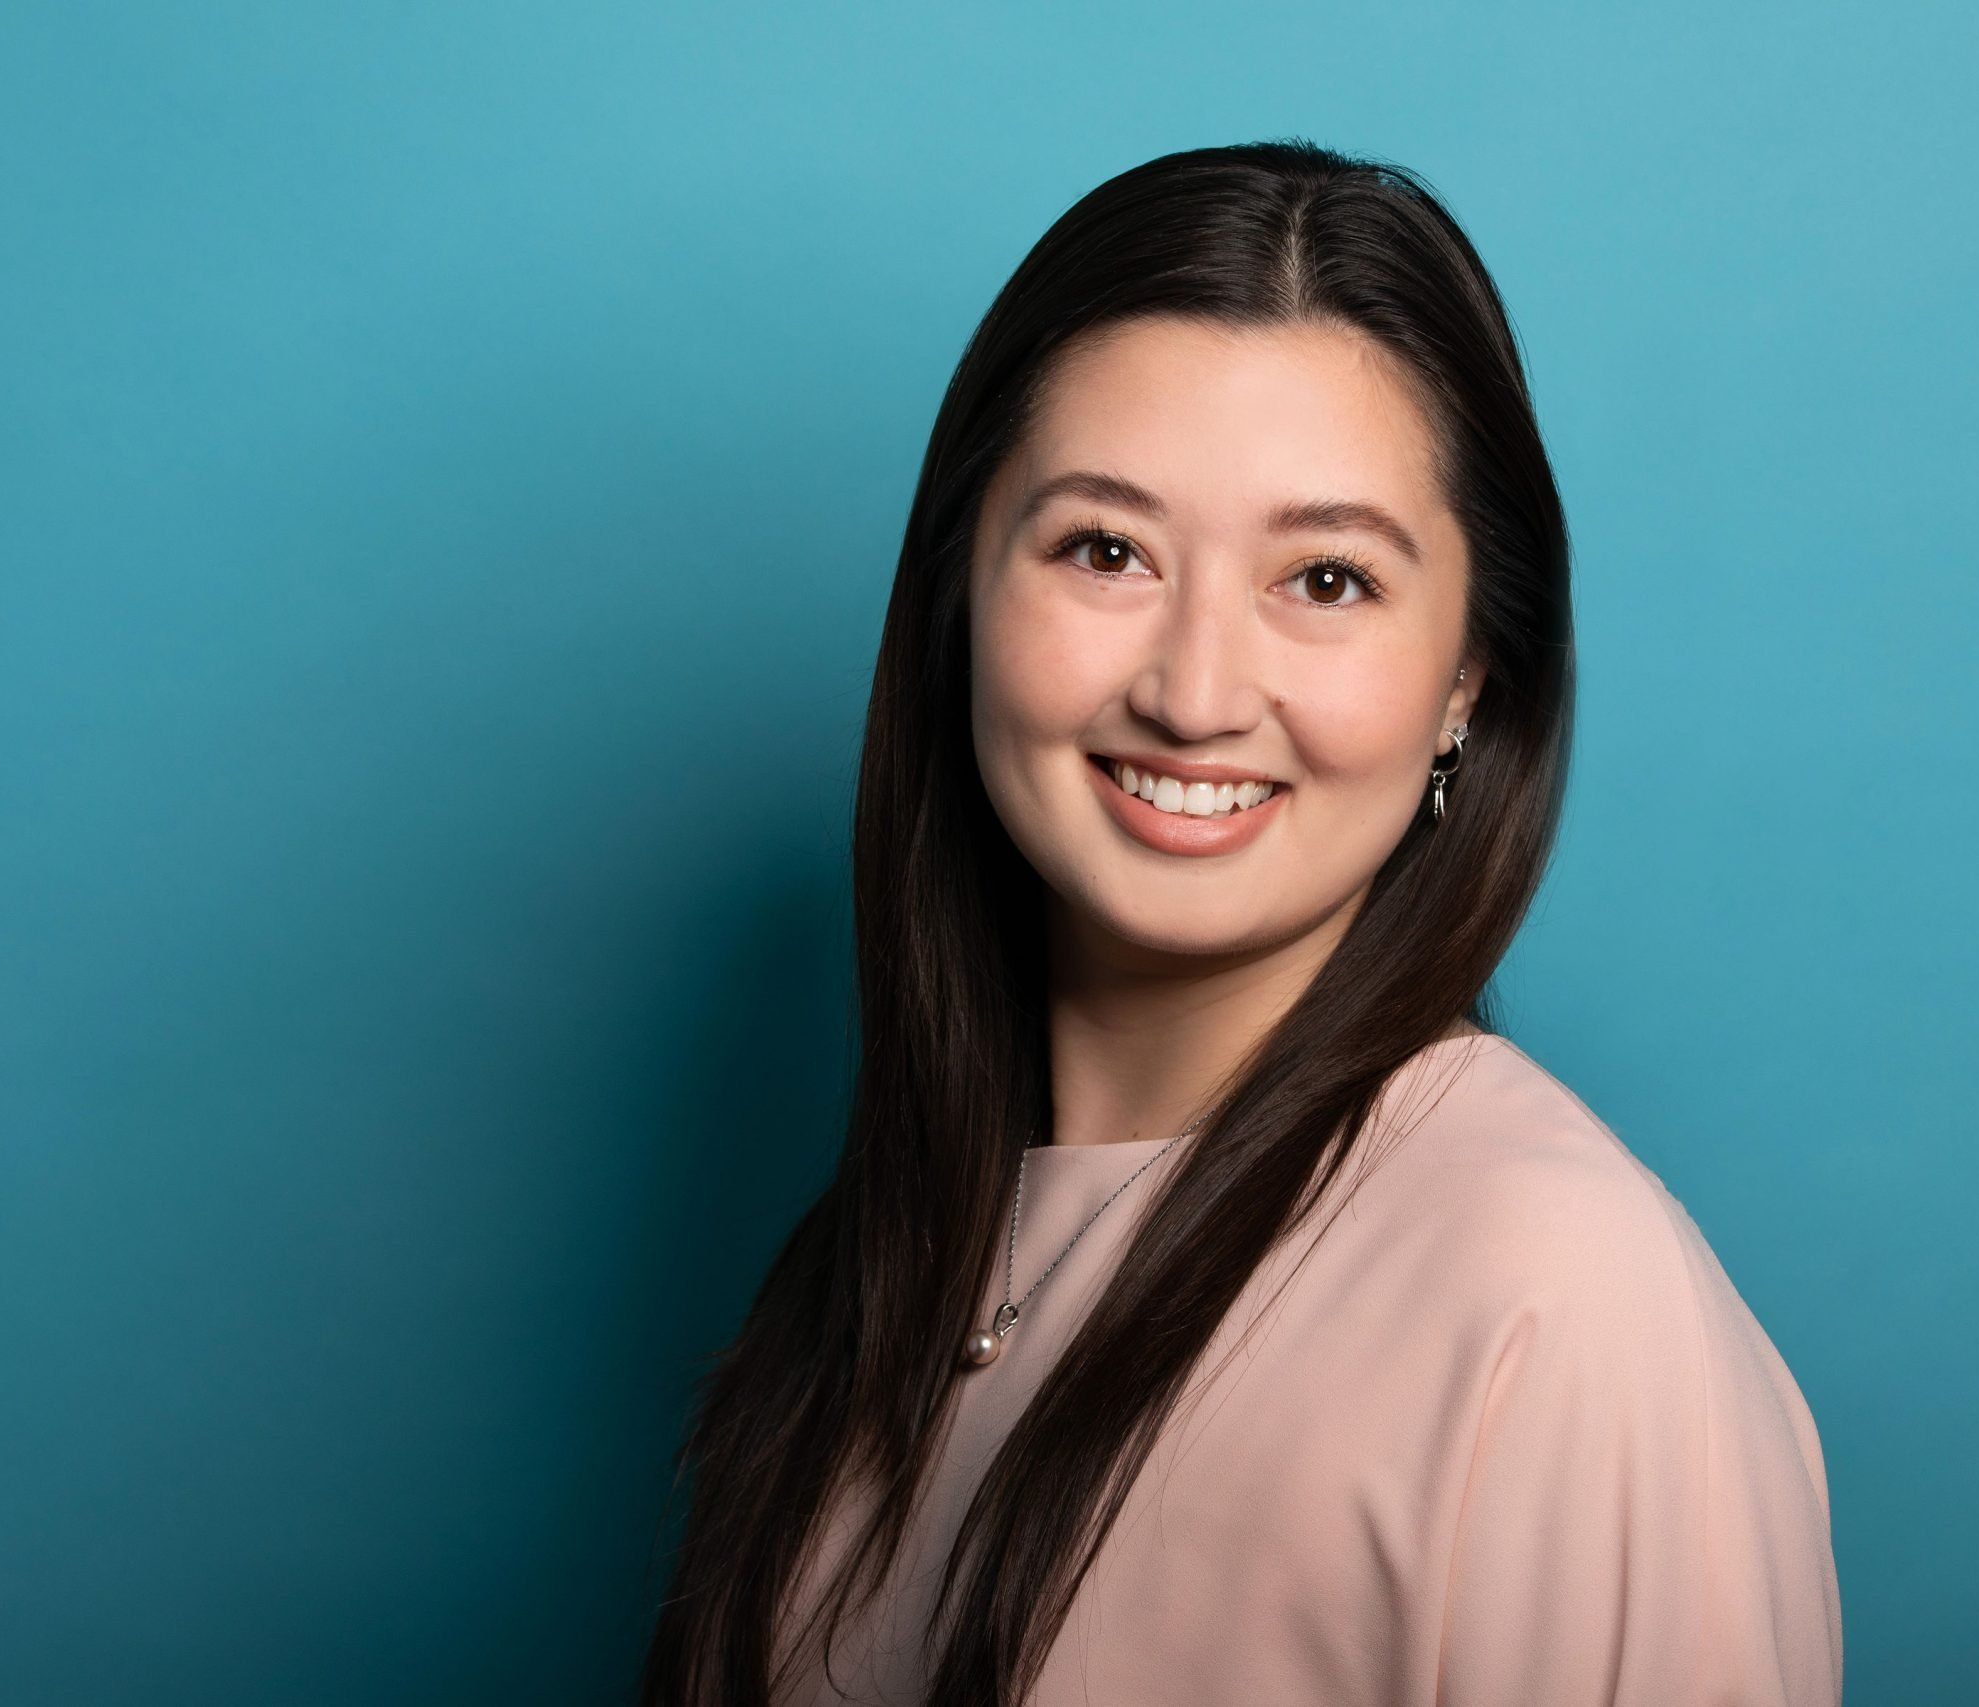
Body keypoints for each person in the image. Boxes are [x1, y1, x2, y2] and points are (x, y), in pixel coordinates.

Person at [641, 139, 1841, 1707]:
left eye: (1326, 580)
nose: (1196, 692)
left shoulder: (1558, 1304)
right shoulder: (888, 1259)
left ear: (1468, 681)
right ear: (960, 597)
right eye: (1105, 551)